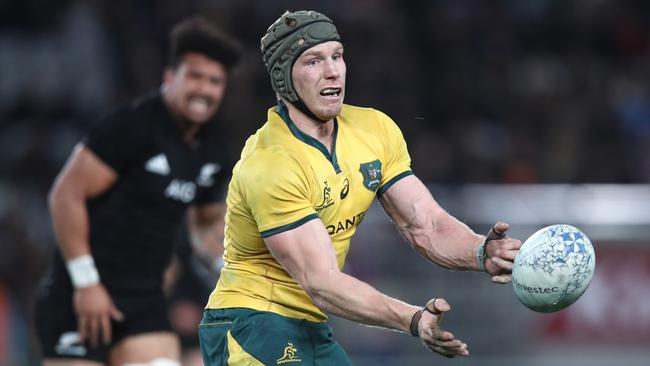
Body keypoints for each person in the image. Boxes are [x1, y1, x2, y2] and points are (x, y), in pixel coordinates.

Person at [199, 10, 522, 365]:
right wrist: (411, 319)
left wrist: (481, 251)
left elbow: (425, 225)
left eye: (337, 55)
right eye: (313, 61)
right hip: (249, 321)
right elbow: (320, 281)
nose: (333, 70)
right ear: (282, 77)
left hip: (310, 327)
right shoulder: (270, 164)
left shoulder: (375, 130)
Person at [35, 16, 241, 366]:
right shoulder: (131, 127)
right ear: (169, 77)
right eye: (195, 77)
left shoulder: (214, 149)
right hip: (79, 296)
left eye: (214, 81)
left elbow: (207, 222)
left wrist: (232, 269)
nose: (204, 90)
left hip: (145, 302)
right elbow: (65, 195)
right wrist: (86, 284)